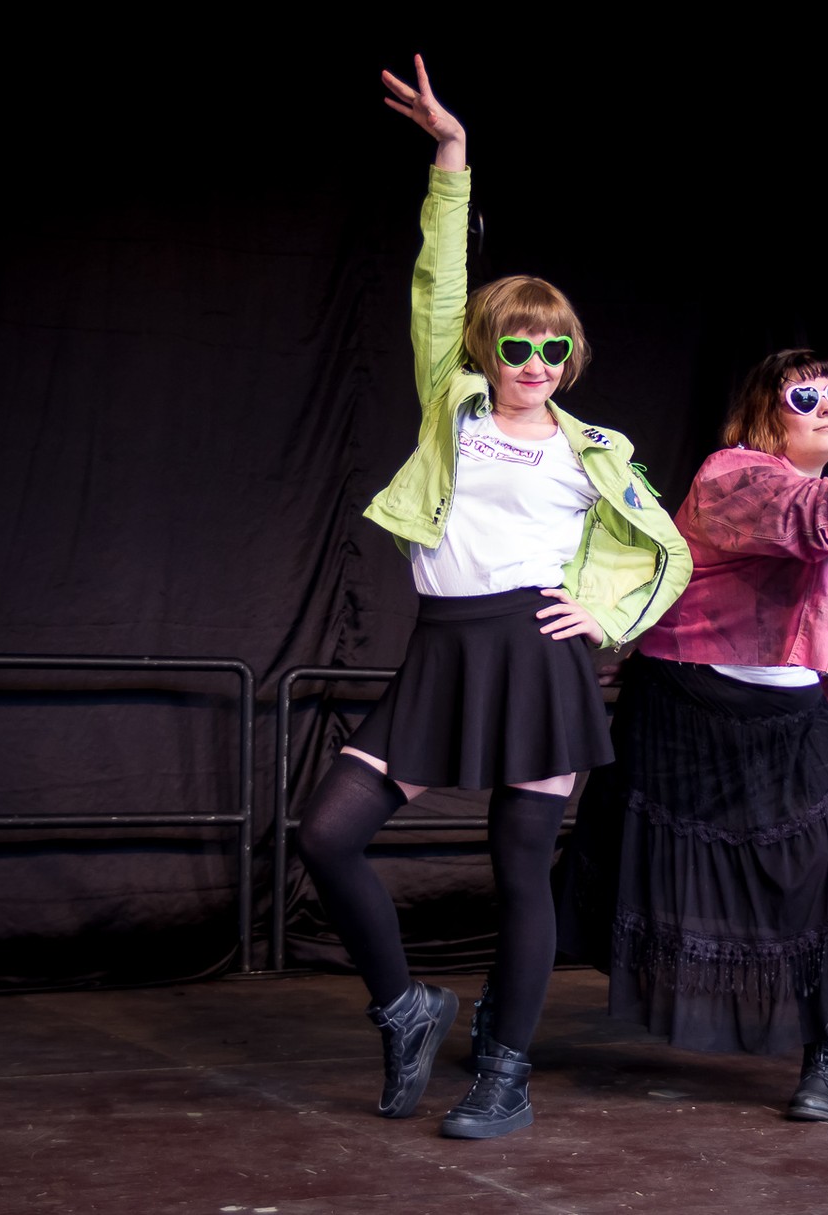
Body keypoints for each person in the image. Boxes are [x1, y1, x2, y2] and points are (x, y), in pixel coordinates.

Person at [293, 56, 691, 1140]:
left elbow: (668, 551)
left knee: (520, 871)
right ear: (487, 348)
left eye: (553, 347)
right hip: (445, 646)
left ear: (571, 355)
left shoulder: (596, 449)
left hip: (536, 651)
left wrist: (607, 618)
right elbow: (436, 284)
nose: (535, 361)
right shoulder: (453, 405)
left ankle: (505, 1073)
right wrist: (452, 157)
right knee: (328, 833)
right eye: (517, 344)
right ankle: (407, 1007)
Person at [561, 348, 828, 1123]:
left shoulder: (820, 489)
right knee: (615, 862)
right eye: (803, 397)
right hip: (689, 708)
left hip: (787, 719)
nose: (826, 408)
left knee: (819, 880)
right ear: (765, 413)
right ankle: (504, 1023)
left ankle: (827, 1053)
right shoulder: (734, 474)